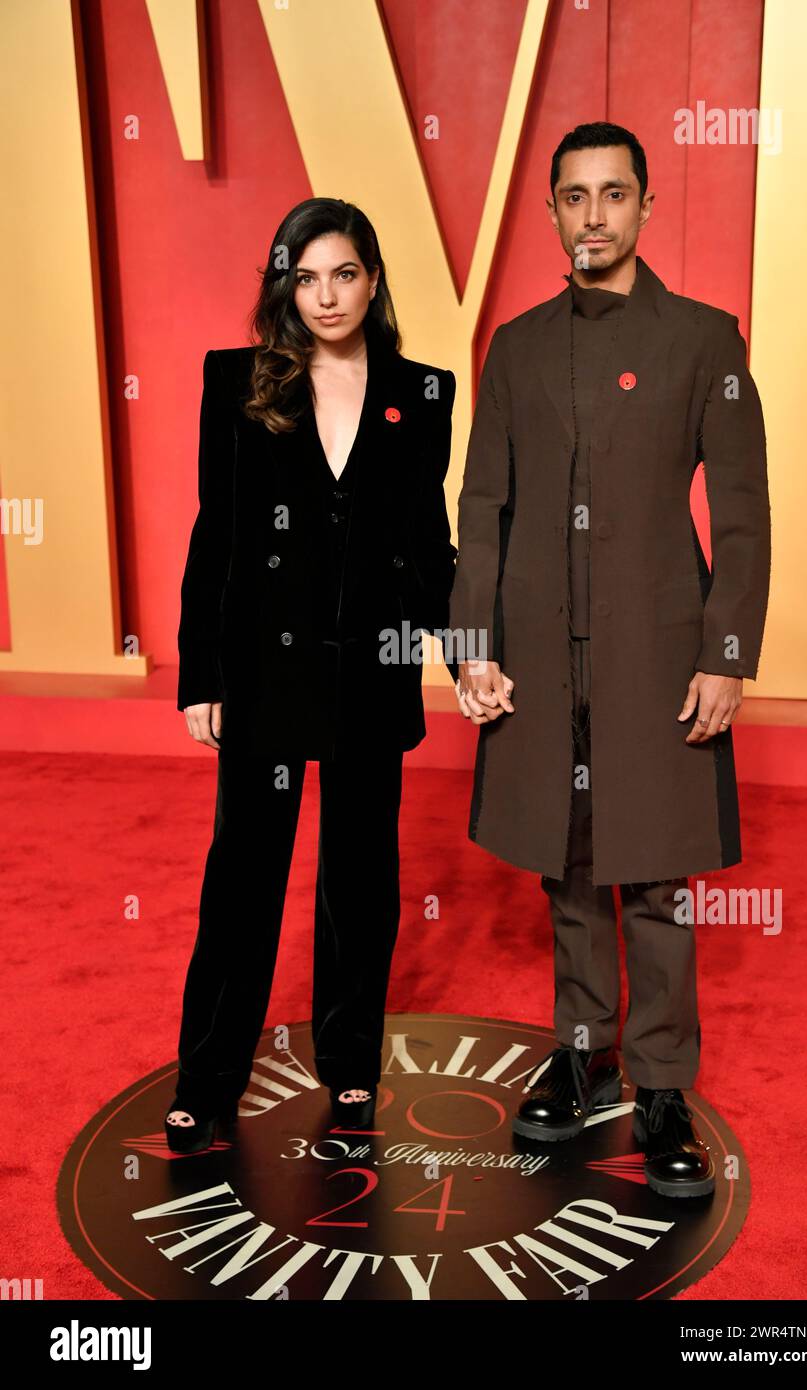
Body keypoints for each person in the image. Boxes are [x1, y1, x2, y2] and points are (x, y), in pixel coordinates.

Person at [449, 122, 770, 1197]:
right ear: (549, 213)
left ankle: (664, 1083)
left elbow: (740, 513)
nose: (593, 215)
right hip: (541, 650)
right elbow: (480, 507)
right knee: (568, 857)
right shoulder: (516, 346)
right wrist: (467, 648)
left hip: (655, 648)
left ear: (644, 207)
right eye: (573, 197)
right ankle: (580, 1052)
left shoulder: (702, 340)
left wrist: (726, 652)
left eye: (612, 194)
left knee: (658, 873)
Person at [166, 198, 456, 1153]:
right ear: (283, 285)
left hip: (371, 675)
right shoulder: (239, 383)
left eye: (345, 274)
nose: (326, 296)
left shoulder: (423, 393)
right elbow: (218, 538)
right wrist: (202, 672)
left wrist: (468, 648)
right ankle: (208, 1076)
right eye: (306, 277)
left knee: (361, 883)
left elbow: (429, 547)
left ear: (373, 280)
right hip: (263, 672)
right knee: (243, 880)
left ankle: (351, 1073)